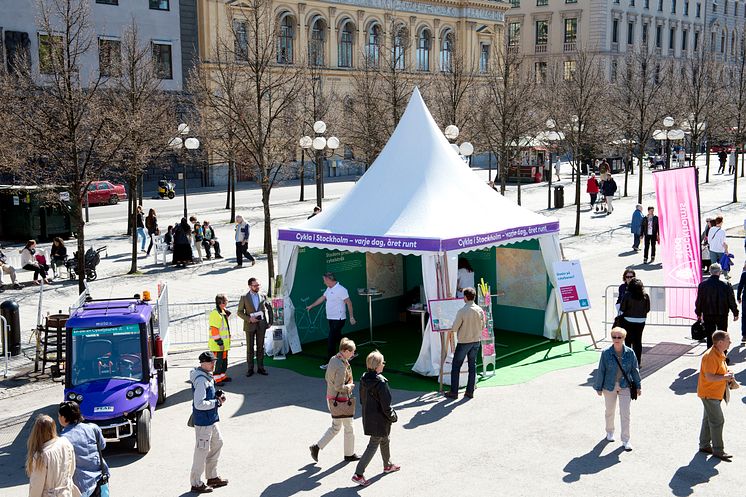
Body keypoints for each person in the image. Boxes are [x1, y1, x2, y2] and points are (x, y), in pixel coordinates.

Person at [351, 350, 399, 487]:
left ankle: (387, 464)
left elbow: (361, 399)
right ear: (378, 365)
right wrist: (393, 416)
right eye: (382, 362)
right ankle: (358, 474)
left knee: (385, 439)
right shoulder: (381, 383)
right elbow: (386, 406)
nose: (384, 364)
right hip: (381, 419)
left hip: (369, 417)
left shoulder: (363, 378)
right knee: (374, 444)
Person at [309, 338, 359, 464]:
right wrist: (349, 387)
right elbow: (339, 387)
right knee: (349, 427)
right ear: (346, 351)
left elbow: (327, 377)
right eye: (352, 352)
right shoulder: (342, 366)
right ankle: (349, 454)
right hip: (341, 401)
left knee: (336, 427)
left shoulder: (333, 359)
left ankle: (317, 447)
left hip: (331, 399)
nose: (353, 354)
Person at [592, 327, 641, 452]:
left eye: (619, 337)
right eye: (614, 337)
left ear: (624, 338)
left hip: (625, 385)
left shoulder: (630, 353)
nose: (616, 339)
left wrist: (638, 385)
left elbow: (635, 370)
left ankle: (626, 440)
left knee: (625, 413)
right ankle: (610, 431)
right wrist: (598, 387)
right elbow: (601, 370)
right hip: (609, 386)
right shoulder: (606, 353)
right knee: (610, 411)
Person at [190, 351, 229, 493]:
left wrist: (217, 393)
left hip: (210, 419)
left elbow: (208, 393)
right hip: (203, 422)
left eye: (214, 361)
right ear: (203, 363)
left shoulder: (207, 376)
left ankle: (212, 477)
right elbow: (199, 403)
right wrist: (216, 402)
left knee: (218, 442)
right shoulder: (201, 380)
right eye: (211, 362)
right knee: (202, 451)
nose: (214, 364)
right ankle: (196, 483)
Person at [697, 330, 736, 461]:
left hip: (714, 393)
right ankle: (718, 450)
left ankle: (704, 445)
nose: (730, 342)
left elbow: (720, 369)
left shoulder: (719, 352)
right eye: (728, 340)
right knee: (718, 421)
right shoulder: (710, 356)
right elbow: (709, 377)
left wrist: (728, 372)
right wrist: (725, 376)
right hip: (710, 394)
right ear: (720, 342)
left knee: (708, 419)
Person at [306, 272, 357, 369]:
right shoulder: (329, 289)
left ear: (329, 280)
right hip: (331, 318)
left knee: (331, 340)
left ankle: (330, 363)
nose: (324, 282)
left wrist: (351, 317)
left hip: (339, 319)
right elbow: (322, 298)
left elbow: (349, 303)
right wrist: (311, 306)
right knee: (338, 337)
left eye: (325, 280)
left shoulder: (341, 289)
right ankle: (351, 351)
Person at [58, 401, 107, 497]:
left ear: (63, 418)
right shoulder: (93, 428)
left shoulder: (62, 438)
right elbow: (102, 446)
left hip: (79, 485)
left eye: (59, 415)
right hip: (99, 479)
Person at [445, 287, 485, 400]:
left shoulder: (462, 311)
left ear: (466, 297)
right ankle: (470, 391)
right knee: (472, 366)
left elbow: (455, 328)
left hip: (464, 342)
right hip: (476, 341)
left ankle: (454, 392)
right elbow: (483, 325)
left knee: (456, 366)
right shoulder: (480, 310)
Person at [26, 413, 79, 497]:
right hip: (66, 492)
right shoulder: (65, 442)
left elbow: (37, 485)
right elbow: (71, 468)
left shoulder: (41, 455)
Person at [695, 263, 739, 349]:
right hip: (722, 314)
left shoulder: (703, 285)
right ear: (719, 272)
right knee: (723, 336)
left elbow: (699, 300)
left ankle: (711, 356)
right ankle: (722, 356)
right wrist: (735, 312)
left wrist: (698, 313)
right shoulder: (725, 285)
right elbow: (731, 300)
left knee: (710, 336)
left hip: (708, 314)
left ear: (711, 272)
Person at [237, 278, 273, 377]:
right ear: (250, 286)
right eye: (255, 285)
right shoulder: (244, 297)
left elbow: (269, 308)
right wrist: (249, 318)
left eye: (258, 285)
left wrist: (270, 322)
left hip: (261, 325)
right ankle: (250, 368)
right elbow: (239, 312)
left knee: (261, 347)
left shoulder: (263, 295)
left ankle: (261, 368)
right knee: (250, 348)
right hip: (249, 325)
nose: (257, 287)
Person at [619, 278, 651, 366]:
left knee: (628, 341)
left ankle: (628, 361)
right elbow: (647, 309)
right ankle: (638, 362)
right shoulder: (645, 296)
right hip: (641, 321)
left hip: (628, 320)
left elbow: (622, 308)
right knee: (638, 341)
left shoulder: (627, 295)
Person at [208, 294, 232, 384]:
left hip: (223, 344)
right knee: (218, 362)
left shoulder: (221, 312)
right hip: (218, 345)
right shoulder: (215, 313)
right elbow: (214, 330)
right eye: (226, 301)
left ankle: (222, 376)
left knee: (224, 361)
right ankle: (216, 379)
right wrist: (220, 343)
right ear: (221, 302)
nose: (227, 302)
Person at [737, 262, 746, 343]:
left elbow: (740, 286)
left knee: (744, 316)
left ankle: (744, 335)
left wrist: (738, 297)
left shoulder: (744, 274)